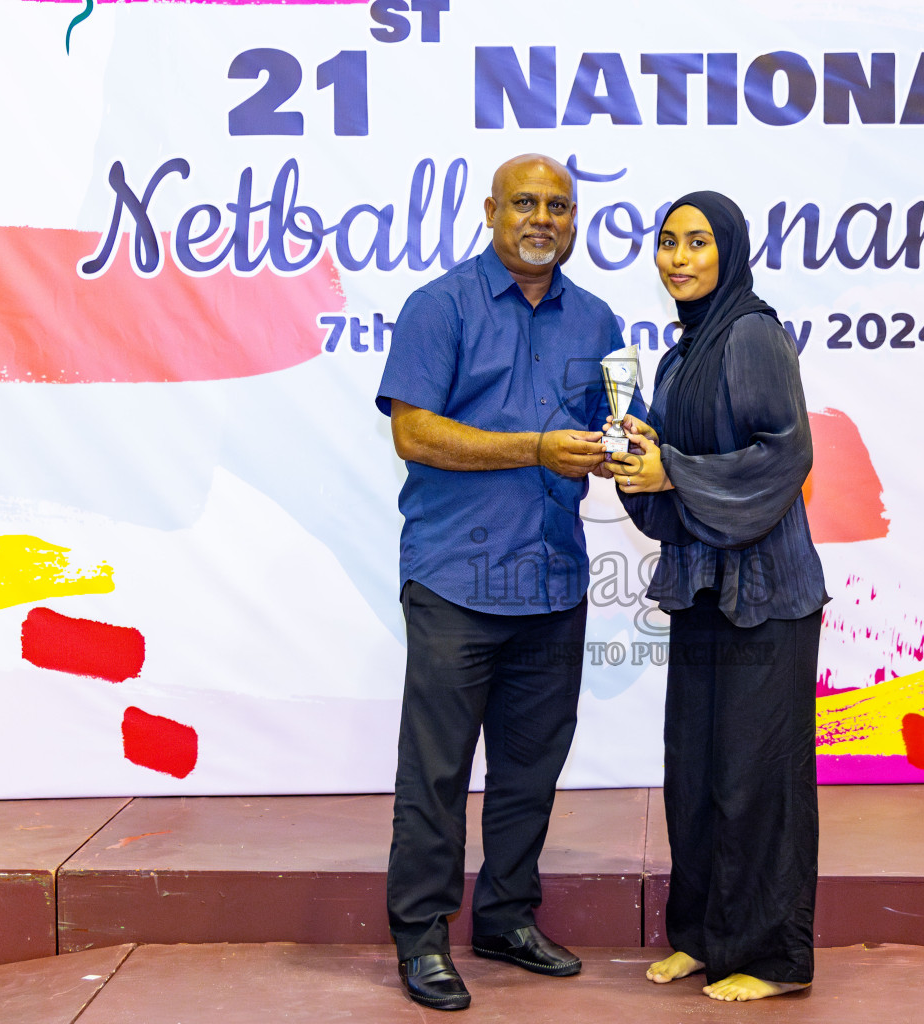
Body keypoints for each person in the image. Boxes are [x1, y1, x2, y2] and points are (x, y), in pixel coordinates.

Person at [375, 153, 622, 1012]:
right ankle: (420, 938)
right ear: (490, 212)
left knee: (530, 769)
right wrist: (536, 448)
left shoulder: (598, 322)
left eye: (559, 205)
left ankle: (507, 917)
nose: (542, 217)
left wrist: (638, 450)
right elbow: (415, 434)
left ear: (575, 221)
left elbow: (613, 432)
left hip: (554, 581)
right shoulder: (437, 308)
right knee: (436, 773)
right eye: (525, 202)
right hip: (454, 581)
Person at [611, 191, 827, 1002]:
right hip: (702, 588)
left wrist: (679, 470)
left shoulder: (751, 333)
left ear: (728, 251)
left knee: (755, 778)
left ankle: (771, 957)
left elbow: (785, 457)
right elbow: (673, 495)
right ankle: (705, 936)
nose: (678, 258)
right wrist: (641, 464)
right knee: (696, 771)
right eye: (667, 243)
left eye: (697, 243)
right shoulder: (676, 356)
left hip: (768, 596)